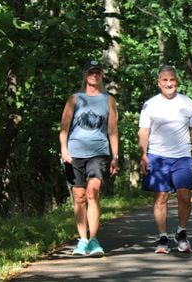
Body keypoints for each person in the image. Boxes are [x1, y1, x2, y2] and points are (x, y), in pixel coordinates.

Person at [138, 65, 192, 254]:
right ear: (159, 83)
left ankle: (181, 233)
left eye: (172, 80)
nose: (169, 84)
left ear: (176, 82)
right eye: (165, 80)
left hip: (182, 157)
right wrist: (143, 154)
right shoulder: (150, 104)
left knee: (185, 196)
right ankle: (162, 237)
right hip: (158, 157)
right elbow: (144, 131)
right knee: (161, 198)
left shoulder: (186, 102)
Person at [59, 59, 119, 257]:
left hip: (99, 152)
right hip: (75, 152)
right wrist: (64, 150)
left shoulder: (108, 100)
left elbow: (112, 130)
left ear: (101, 76)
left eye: (98, 72)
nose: (94, 75)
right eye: (91, 72)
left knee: (93, 192)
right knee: (79, 196)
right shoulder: (74, 99)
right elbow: (64, 128)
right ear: (85, 75)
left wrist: (114, 156)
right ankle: (82, 240)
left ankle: (93, 240)